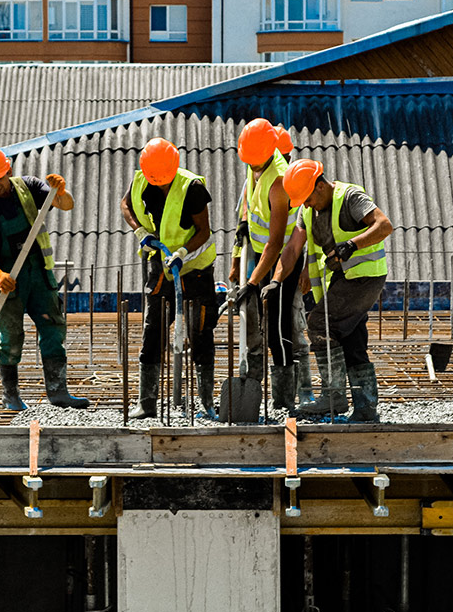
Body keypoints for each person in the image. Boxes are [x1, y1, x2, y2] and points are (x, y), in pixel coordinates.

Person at [272, 158, 393, 422]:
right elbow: (293, 248)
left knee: (320, 323)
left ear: (320, 186)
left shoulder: (350, 196)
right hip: (343, 279)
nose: (306, 204)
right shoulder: (308, 212)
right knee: (351, 338)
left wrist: (352, 244)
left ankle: (334, 396)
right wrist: (276, 281)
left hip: (364, 277)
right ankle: (365, 407)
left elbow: (384, 225)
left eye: (308, 198)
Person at [0, 146, 89, 411]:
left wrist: (60, 190)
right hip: (8, 280)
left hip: (37, 273)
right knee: (11, 336)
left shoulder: (30, 187)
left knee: (53, 328)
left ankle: (59, 393)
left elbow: (65, 204)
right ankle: (10, 396)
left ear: (8, 171)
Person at [120, 138, 219, 419]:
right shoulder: (142, 179)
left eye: (164, 180)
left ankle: (206, 402)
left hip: (196, 269)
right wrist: (140, 231)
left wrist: (184, 251)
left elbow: (204, 231)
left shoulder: (193, 188)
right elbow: (125, 205)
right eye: (156, 180)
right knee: (153, 332)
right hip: (161, 269)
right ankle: (147, 401)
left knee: (200, 334)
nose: (160, 184)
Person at [228, 119, 314, 411]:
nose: (250, 165)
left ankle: (284, 399)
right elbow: (249, 203)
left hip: (283, 260)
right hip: (261, 256)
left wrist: (252, 282)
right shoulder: (256, 162)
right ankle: (263, 389)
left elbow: (276, 242)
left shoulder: (279, 179)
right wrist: (241, 234)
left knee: (279, 328)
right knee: (259, 327)